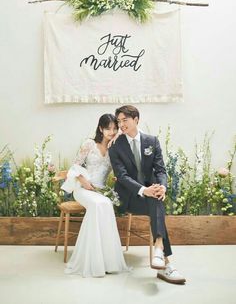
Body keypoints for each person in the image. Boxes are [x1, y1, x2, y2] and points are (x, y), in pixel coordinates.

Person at [108, 105, 186, 284]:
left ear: (136, 119)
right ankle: (165, 262)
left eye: (124, 120)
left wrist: (162, 187)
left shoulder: (152, 141)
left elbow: (161, 170)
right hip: (127, 198)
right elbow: (122, 176)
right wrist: (144, 190)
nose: (121, 124)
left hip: (149, 197)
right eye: (119, 121)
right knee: (154, 198)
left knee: (156, 198)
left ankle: (161, 252)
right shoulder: (115, 146)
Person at [61, 114, 128, 277]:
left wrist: (117, 177)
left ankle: (107, 261)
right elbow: (75, 166)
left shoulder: (115, 149)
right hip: (83, 189)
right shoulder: (89, 144)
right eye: (108, 128)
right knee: (99, 205)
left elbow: (120, 170)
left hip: (101, 191)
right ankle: (90, 260)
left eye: (114, 128)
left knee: (105, 204)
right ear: (100, 128)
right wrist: (83, 181)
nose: (111, 132)